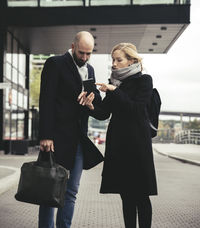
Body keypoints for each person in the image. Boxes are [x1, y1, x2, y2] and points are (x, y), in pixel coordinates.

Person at [79, 43, 157, 228]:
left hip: (138, 145)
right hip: (119, 145)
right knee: (126, 195)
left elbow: (137, 109)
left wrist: (115, 90)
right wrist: (90, 107)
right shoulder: (114, 83)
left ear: (131, 61)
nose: (114, 63)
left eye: (118, 60)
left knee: (141, 195)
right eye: (113, 60)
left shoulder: (144, 80)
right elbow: (104, 113)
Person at [38, 31, 103, 228]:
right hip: (56, 140)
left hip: (78, 142)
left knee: (71, 192)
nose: (84, 58)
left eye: (88, 54)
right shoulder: (55, 64)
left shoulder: (90, 71)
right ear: (73, 47)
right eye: (81, 53)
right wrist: (46, 135)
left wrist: (92, 104)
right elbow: (46, 101)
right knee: (50, 191)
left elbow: (100, 111)